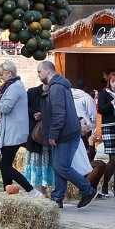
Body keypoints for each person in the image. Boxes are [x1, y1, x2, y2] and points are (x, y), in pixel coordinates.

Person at [37, 61, 96, 209]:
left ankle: (87, 190)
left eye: (39, 72)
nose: (38, 75)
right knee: (59, 166)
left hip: (65, 133)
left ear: (47, 71)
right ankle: (57, 198)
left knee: (61, 166)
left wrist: (53, 135)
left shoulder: (56, 88)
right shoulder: (60, 86)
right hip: (68, 131)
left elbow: (59, 113)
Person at [0, 60, 37, 195]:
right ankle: (8, 192)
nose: (0, 77)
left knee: (5, 165)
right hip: (10, 131)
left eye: (2, 74)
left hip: (13, 132)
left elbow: (4, 108)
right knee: (3, 164)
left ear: (9, 73)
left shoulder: (15, 87)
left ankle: (31, 191)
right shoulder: (13, 86)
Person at [96, 71, 115, 198]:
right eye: (112, 81)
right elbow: (101, 110)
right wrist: (113, 102)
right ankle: (105, 185)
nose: (114, 84)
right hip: (109, 127)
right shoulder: (104, 94)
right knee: (113, 158)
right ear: (109, 82)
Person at [23, 83, 54, 197]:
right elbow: (23, 106)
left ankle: (43, 191)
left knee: (46, 161)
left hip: (48, 133)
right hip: (34, 134)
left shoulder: (55, 93)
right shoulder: (32, 92)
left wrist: (44, 115)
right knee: (35, 162)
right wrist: (34, 113)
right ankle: (38, 191)